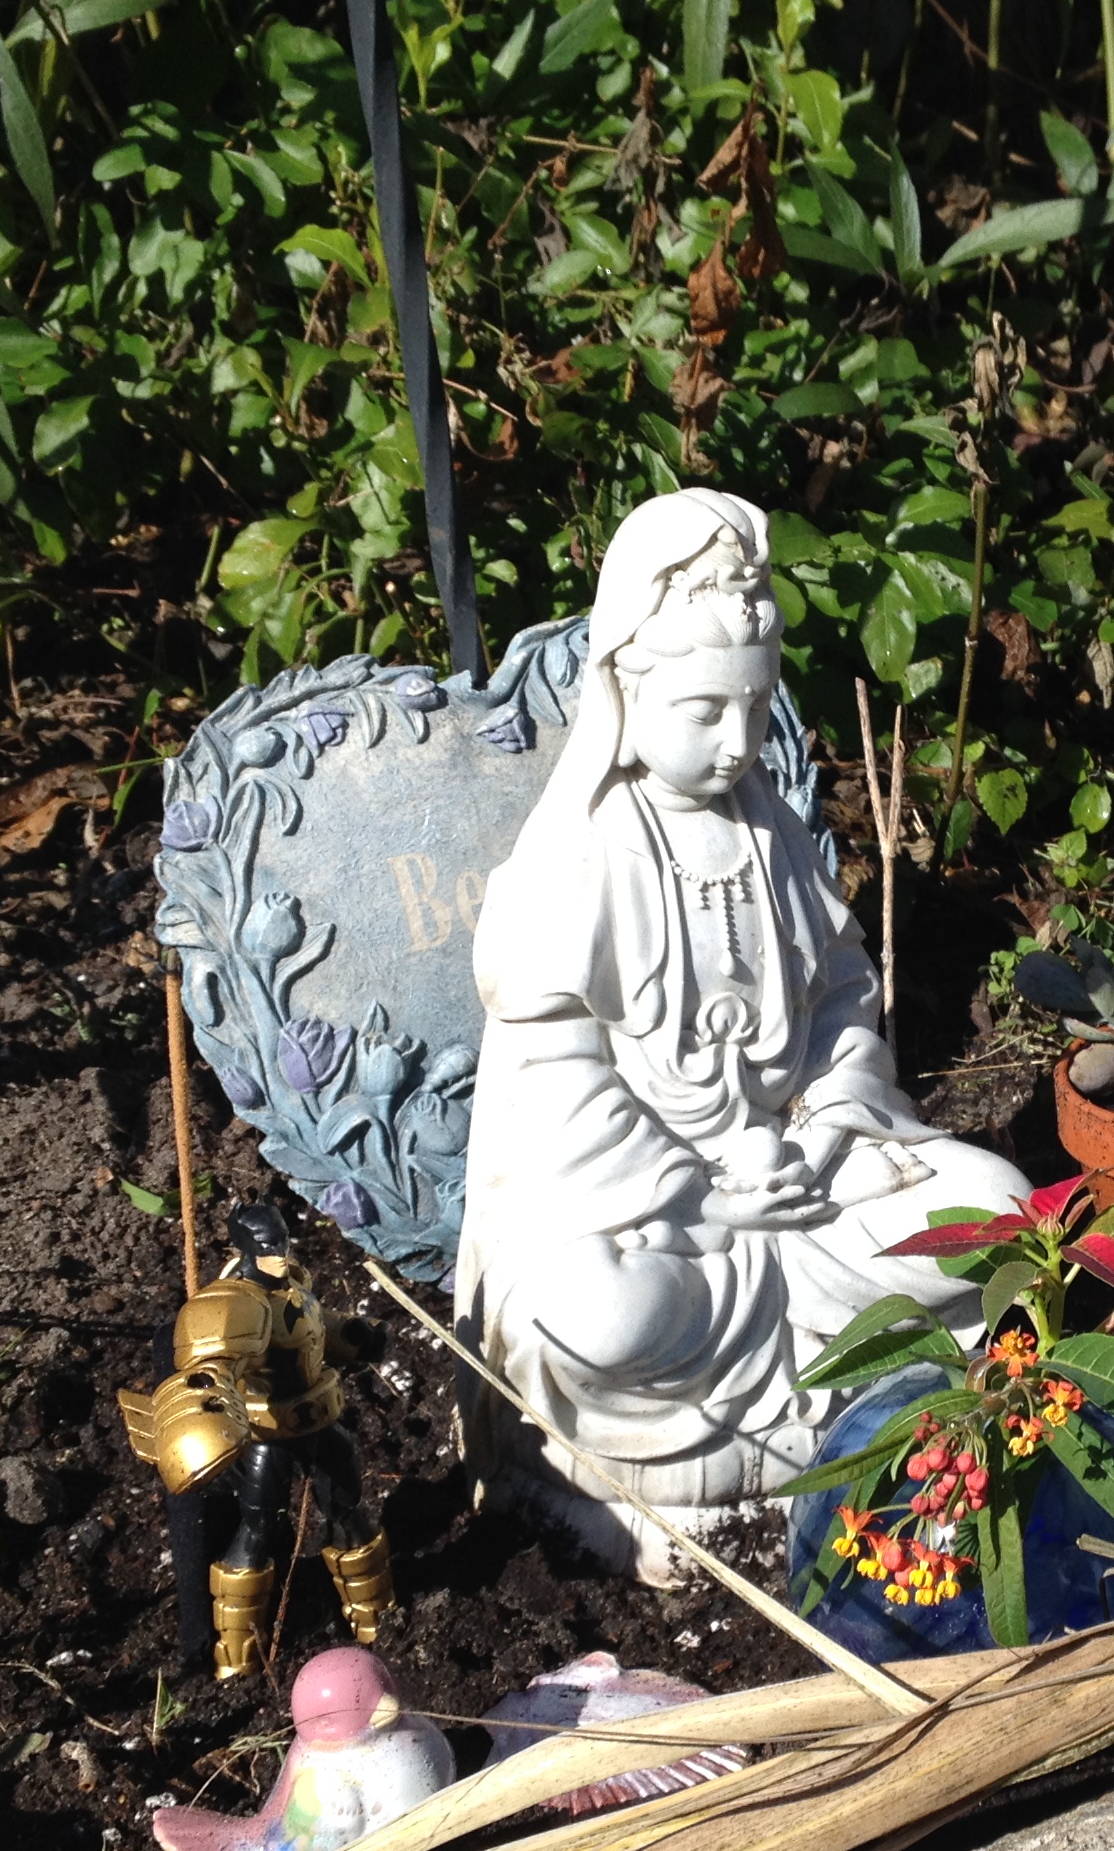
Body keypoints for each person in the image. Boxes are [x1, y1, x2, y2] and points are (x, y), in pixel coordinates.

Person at [455, 489, 1027, 1572]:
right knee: (594, 1319)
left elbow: (843, 1000)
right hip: (653, 1218)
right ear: (627, 689)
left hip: (807, 1180)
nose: (738, 742)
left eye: (757, 709)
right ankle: (807, 1419)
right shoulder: (578, 857)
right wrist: (704, 1193)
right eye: (705, 711)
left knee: (997, 1213)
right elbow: (555, 1081)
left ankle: (845, 1401)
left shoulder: (773, 837)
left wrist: (829, 1120)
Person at [119, 1199, 391, 1675]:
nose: (278, 1253)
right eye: (266, 1247)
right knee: (258, 1529)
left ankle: (377, 1618)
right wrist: (206, 1412)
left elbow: (312, 1330)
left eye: (282, 1243)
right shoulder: (234, 1303)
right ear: (244, 1248)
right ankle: (237, 1650)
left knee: (348, 1511)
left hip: (321, 1424)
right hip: (269, 1436)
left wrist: (353, 1336)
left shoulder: (293, 1286)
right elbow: (210, 1366)